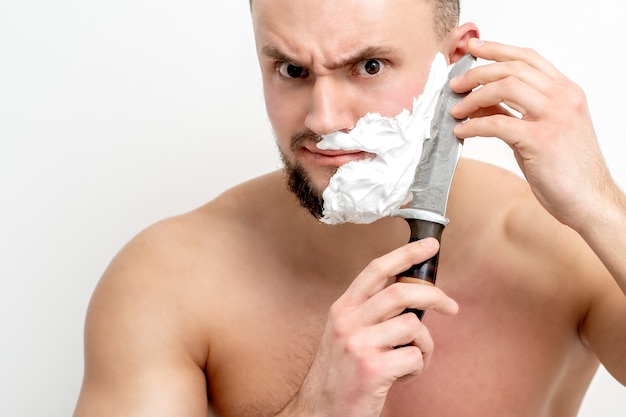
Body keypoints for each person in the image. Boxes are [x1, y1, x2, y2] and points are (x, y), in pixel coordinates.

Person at [72, 0, 626, 416]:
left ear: (456, 63)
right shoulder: (167, 278)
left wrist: (600, 205)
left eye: (368, 67)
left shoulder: (569, 247)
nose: (324, 118)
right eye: (292, 71)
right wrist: (318, 406)